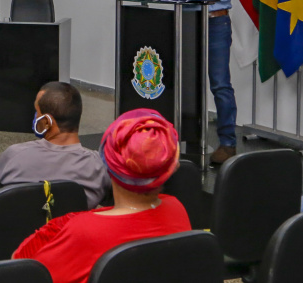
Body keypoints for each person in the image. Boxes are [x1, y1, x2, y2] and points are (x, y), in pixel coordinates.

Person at [12, 109, 190, 283]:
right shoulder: (176, 209)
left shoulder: (83, 232)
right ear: (169, 167)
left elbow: (24, 269)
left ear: (108, 163)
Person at [0, 82, 111, 265]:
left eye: (36, 111)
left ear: (46, 121)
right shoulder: (98, 166)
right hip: (51, 260)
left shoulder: (15, 154)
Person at [154, 0, 241, 165]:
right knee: (182, 83)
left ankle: (228, 143)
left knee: (220, 84)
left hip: (215, 23)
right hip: (185, 23)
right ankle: (182, 137)